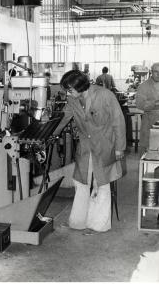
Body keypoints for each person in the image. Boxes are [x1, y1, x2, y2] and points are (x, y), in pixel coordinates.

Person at [53, 70, 126, 233]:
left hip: (105, 145)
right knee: (81, 182)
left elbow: (118, 122)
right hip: (85, 146)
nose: (68, 93)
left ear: (79, 85)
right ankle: (78, 221)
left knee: (102, 183)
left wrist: (120, 147)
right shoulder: (73, 99)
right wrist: (51, 133)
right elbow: (64, 117)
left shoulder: (105, 95)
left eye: (70, 89)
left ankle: (99, 224)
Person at [136, 62, 159, 152]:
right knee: (149, 150)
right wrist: (155, 103)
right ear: (151, 72)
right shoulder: (144, 86)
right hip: (150, 121)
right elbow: (140, 104)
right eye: (156, 71)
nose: (158, 74)